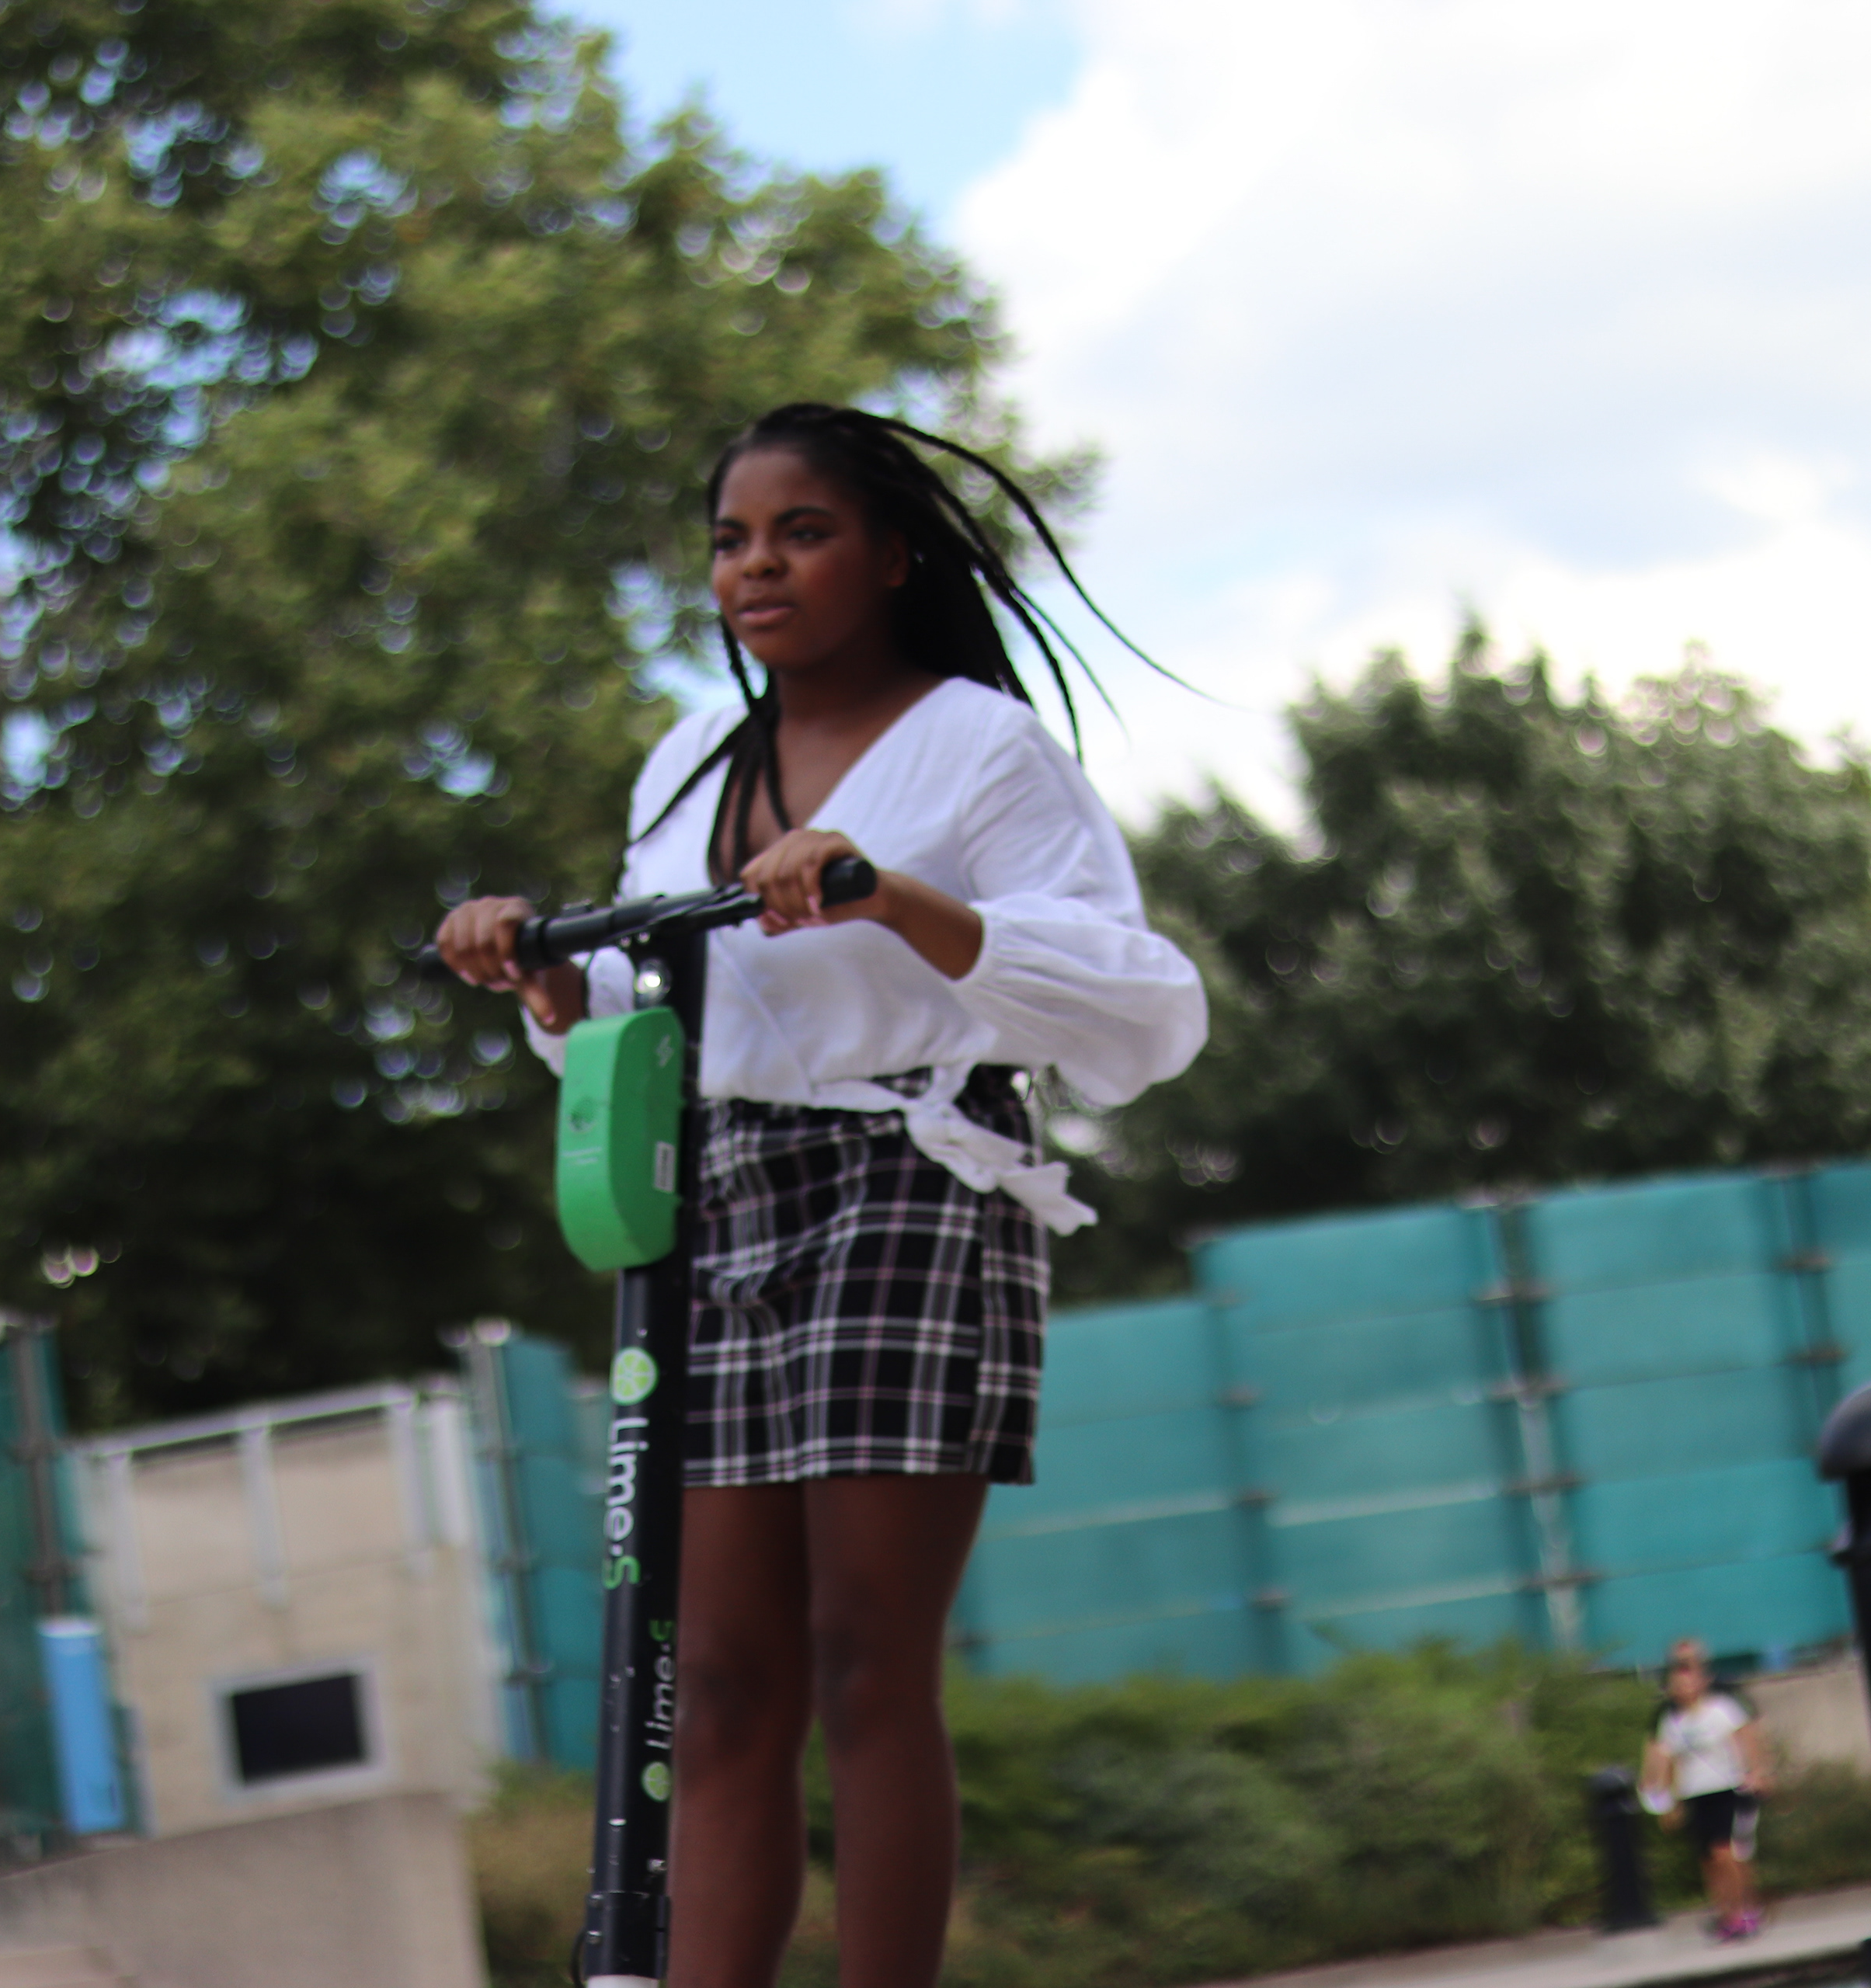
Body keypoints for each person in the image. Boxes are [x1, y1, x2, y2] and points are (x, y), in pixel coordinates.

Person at [435, 403, 1205, 1988]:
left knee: (865, 1658)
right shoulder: (691, 763)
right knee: (718, 1678)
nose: (758, 567)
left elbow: (1137, 1000)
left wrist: (890, 893)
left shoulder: (978, 743)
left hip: (908, 1176)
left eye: (803, 532)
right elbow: (654, 1013)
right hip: (714, 1195)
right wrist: (537, 971)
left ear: (893, 555)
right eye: (732, 540)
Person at [1642, 1637, 1772, 1942]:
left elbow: (1746, 1737)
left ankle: (1744, 1910)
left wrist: (1756, 1773)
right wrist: (1668, 1801)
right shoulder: (1671, 1720)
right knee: (1709, 1860)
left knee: (1727, 1853)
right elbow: (1667, 1759)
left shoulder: (1722, 1708)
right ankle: (1725, 1913)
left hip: (1726, 1788)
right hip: (1695, 1793)